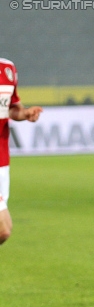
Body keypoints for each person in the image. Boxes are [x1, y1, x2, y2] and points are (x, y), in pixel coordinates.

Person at [0, 57, 42, 245]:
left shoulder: (7, 69)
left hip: (2, 162)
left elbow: (10, 109)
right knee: (3, 229)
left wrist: (24, 114)